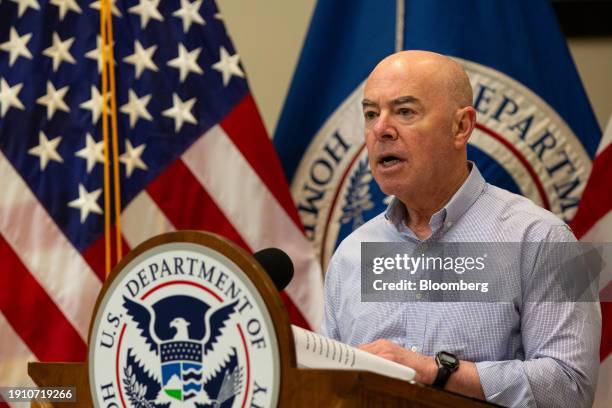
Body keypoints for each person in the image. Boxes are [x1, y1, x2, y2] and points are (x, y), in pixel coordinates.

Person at [321, 50, 600, 407]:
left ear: (461, 126)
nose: (380, 129)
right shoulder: (351, 254)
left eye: (405, 111)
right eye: (371, 113)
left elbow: (569, 389)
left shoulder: (540, 239)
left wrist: (435, 372)